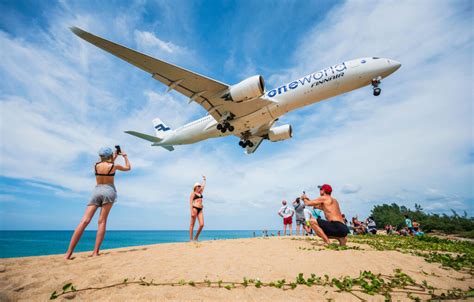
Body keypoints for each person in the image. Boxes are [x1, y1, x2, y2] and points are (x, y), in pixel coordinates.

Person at [65, 147, 131, 259]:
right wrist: (124, 156)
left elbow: (106, 163)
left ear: (100, 156)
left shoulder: (96, 165)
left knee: (84, 221)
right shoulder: (113, 166)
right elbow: (128, 168)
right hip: (109, 191)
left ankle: (68, 254)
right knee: (102, 221)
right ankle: (95, 252)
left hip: (97, 191)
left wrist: (113, 157)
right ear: (110, 156)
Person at [189, 176, 206, 241]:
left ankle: (196, 237)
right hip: (194, 209)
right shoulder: (193, 194)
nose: (199, 187)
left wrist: (204, 180)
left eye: (199, 186)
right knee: (192, 224)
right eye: (198, 186)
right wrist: (191, 212)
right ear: (195, 187)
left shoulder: (200, 193)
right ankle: (191, 240)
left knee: (202, 224)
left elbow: (203, 186)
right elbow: (190, 203)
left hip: (200, 210)